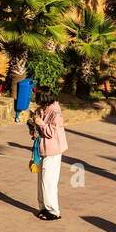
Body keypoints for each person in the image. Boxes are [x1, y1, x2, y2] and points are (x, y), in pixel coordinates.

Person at [28, 87, 67, 220]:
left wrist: (41, 123)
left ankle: (53, 211)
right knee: (41, 180)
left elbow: (51, 132)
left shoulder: (55, 113)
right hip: (42, 149)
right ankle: (43, 207)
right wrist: (34, 129)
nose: (36, 100)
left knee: (48, 180)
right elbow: (39, 128)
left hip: (53, 150)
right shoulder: (41, 109)